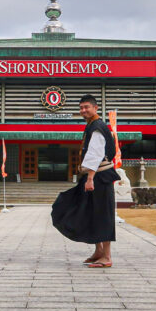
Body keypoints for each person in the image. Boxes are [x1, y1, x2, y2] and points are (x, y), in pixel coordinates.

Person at [50, 94, 120, 267]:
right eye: (81, 108)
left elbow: (95, 154)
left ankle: (107, 256)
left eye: (86, 107)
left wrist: (90, 178)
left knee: (103, 213)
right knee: (91, 212)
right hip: (93, 176)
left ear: (95, 108)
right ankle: (98, 251)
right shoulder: (91, 125)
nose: (83, 110)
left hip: (99, 177)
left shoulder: (97, 127)